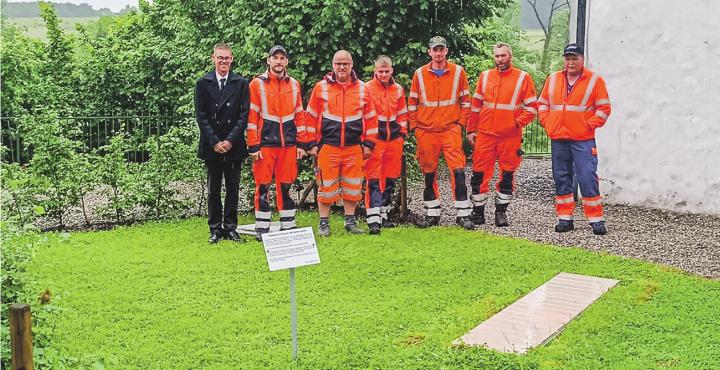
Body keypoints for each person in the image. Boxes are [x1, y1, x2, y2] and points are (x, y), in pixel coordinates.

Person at [538, 43, 612, 235]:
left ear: (582, 59)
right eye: (568, 58)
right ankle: (565, 219)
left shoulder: (595, 81)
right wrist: (547, 123)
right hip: (558, 137)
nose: (571, 62)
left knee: (587, 176)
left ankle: (596, 219)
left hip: (583, 139)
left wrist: (588, 125)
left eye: (575, 58)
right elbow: (542, 104)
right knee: (561, 177)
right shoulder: (553, 79)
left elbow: (604, 109)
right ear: (564, 59)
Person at [305, 50, 378, 237]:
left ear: (351, 65)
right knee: (326, 188)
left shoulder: (363, 88)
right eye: (338, 63)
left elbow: (370, 119)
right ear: (332, 65)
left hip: (354, 147)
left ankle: (350, 221)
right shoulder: (321, 87)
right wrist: (311, 143)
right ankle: (323, 223)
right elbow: (310, 117)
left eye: (345, 63)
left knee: (353, 187)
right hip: (328, 146)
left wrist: (369, 144)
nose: (342, 67)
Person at [467, 42, 538, 227]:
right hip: (485, 134)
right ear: (493, 57)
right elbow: (475, 107)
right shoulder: (485, 76)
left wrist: (516, 123)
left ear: (510, 56)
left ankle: (501, 212)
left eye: (503, 56)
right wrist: (470, 130)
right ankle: (478, 212)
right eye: (497, 56)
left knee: (507, 174)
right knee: (479, 174)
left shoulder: (523, 78)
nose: (500, 59)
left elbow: (532, 108)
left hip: (510, 136)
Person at [408, 36, 474, 230]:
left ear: (446, 51)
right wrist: (415, 127)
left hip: (449, 129)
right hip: (426, 131)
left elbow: (466, 101)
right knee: (428, 172)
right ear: (429, 52)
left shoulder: (458, 72)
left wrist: (460, 124)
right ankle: (432, 213)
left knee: (459, 170)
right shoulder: (419, 74)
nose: (438, 53)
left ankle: (463, 214)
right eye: (434, 50)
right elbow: (412, 103)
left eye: (441, 50)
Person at [247, 45, 308, 241]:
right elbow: (252, 116)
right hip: (265, 144)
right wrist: (253, 145)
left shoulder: (294, 84)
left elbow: (300, 115)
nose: (279, 61)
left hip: (289, 145)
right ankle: (262, 228)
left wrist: (301, 144)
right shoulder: (257, 84)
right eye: (276, 58)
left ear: (286, 62)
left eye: (282, 58)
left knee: (286, 186)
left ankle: (288, 225)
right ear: (269, 61)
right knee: (262, 186)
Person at [195, 43, 250, 243]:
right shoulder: (202, 83)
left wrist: (230, 140)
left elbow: (244, 115)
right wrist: (215, 141)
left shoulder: (241, 83)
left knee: (233, 189)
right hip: (212, 145)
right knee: (213, 190)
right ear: (213, 59)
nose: (224, 61)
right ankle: (215, 229)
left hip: (233, 144)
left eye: (227, 58)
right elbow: (201, 116)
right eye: (220, 58)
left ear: (232, 59)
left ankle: (231, 227)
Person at [364, 55, 408, 235]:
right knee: (373, 178)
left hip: (393, 140)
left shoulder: (398, 89)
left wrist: (402, 136)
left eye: (386, 71)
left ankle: (384, 214)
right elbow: (363, 115)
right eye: (380, 71)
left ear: (391, 71)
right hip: (375, 140)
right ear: (375, 71)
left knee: (390, 177)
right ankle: (373, 219)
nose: (383, 74)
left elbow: (403, 114)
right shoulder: (366, 88)